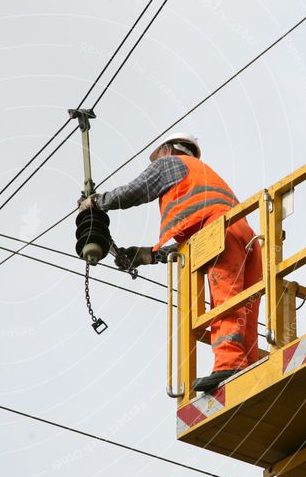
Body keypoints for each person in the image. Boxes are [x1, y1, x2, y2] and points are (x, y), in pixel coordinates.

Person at [79, 132, 262, 393]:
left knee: (225, 303)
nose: (156, 161)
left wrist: (97, 202)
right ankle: (247, 370)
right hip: (248, 238)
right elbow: (192, 245)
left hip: (221, 234)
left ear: (168, 149)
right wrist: (147, 255)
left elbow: (136, 190)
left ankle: (229, 364)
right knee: (245, 309)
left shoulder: (170, 164)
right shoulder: (201, 178)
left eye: (158, 156)